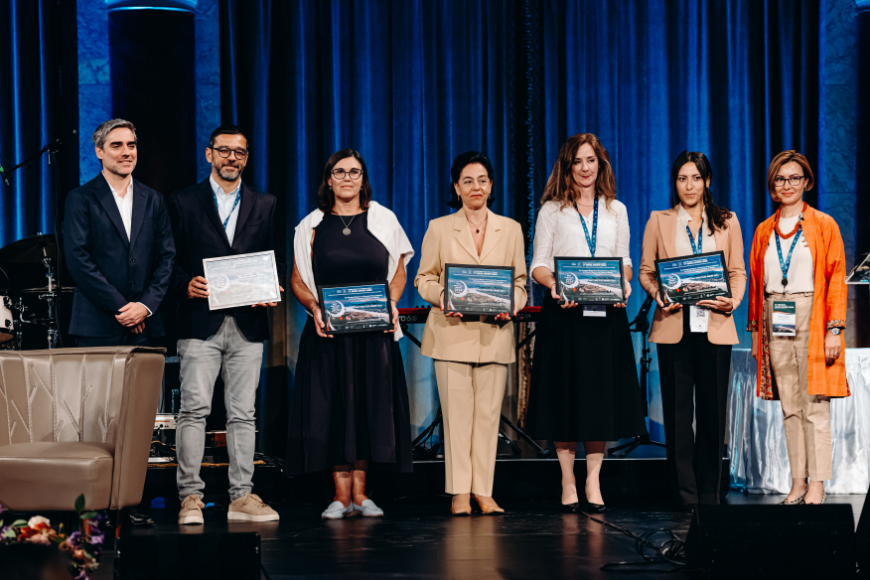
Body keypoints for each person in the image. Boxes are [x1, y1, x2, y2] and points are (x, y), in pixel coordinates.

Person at [287, 149, 414, 520]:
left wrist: (390, 302)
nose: (347, 178)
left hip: (373, 335)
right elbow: (297, 280)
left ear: (363, 178)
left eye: (354, 172)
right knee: (334, 409)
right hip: (327, 337)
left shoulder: (383, 218)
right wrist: (314, 309)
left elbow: (400, 271)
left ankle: (362, 494)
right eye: (339, 172)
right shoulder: (310, 225)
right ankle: (340, 496)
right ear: (328, 179)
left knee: (369, 409)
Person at [169, 125, 285, 524]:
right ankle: (190, 497)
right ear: (209, 155)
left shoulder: (265, 203)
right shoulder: (183, 201)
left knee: (243, 414)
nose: (231, 158)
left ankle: (242, 497)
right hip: (199, 321)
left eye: (239, 152)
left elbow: (275, 257)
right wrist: (184, 284)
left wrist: (273, 286)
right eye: (224, 151)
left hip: (248, 324)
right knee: (194, 410)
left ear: (247, 157)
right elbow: (167, 260)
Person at [526, 134, 646, 513]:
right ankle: (566, 478)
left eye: (591, 160)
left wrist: (625, 282)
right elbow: (538, 266)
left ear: (601, 165)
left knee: (599, 402)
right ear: (567, 166)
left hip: (605, 317)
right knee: (565, 399)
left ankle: (593, 479)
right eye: (577, 161)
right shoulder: (551, 211)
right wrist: (555, 285)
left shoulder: (617, 210)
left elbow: (624, 259)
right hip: (564, 318)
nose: (584, 168)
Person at [415, 151, 528, 516]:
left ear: (491, 186)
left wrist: (512, 304)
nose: (475, 186)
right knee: (457, 418)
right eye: (467, 180)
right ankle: (459, 493)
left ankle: (484, 490)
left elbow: (521, 284)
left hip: (494, 334)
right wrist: (446, 296)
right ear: (456, 187)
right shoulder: (439, 227)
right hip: (452, 333)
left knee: (487, 417)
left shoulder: (510, 229)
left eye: (482, 180)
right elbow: (423, 279)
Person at [638, 151, 746, 509]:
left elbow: (737, 272)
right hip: (674, 326)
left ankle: (711, 495)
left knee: (714, 416)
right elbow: (645, 272)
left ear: (708, 181)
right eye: (683, 178)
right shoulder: (659, 220)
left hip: (715, 325)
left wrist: (732, 301)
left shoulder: (727, 221)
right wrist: (658, 295)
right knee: (679, 417)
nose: (689, 185)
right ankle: (684, 496)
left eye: (696, 178)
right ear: (675, 183)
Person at [747, 150, 848, 506]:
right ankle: (798, 481)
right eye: (780, 179)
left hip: (812, 311)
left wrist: (834, 329)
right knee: (789, 405)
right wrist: (756, 330)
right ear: (772, 186)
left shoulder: (824, 224)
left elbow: (836, 278)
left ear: (806, 182)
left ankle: (818, 483)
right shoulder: (763, 230)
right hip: (777, 314)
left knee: (815, 404)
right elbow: (759, 284)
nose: (787, 184)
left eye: (794, 178)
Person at [63, 118, 175, 347]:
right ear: (99, 152)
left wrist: (144, 306)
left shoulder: (154, 199)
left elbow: (166, 258)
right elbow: (78, 260)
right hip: (97, 325)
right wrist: (123, 309)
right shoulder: (80, 198)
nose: (126, 152)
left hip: (146, 326)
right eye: (117, 146)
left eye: (131, 145)